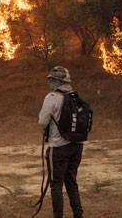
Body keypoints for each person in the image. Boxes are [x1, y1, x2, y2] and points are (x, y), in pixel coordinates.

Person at [38, 66, 84, 218]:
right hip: (76, 146)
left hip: (58, 148)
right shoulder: (75, 96)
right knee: (71, 181)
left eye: (51, 80)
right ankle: (78, 214)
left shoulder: (51, 97)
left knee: (56, 185)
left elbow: (42, 121)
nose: (49, 82)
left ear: (57, 81)